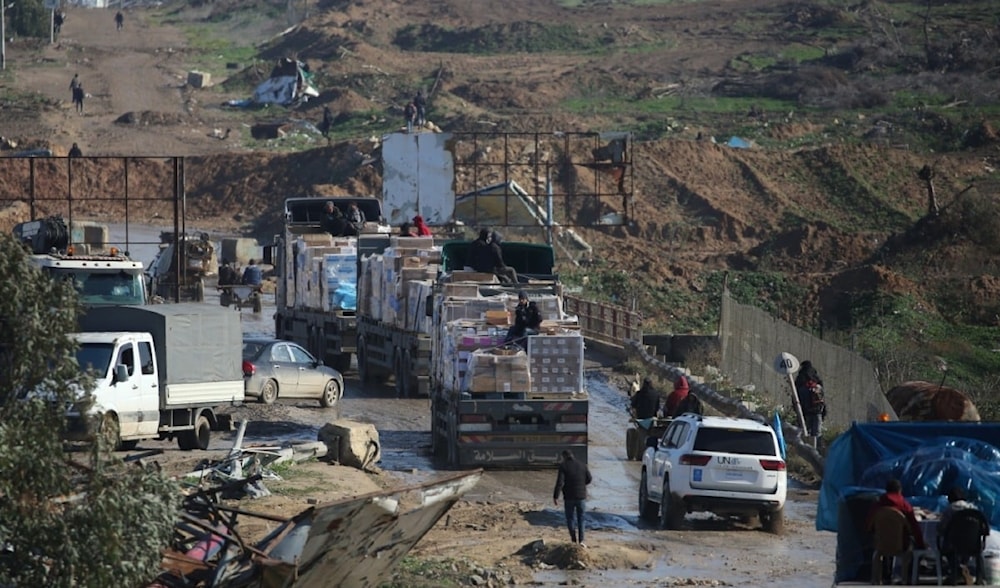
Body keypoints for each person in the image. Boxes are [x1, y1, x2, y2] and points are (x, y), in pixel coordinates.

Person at [866, 478, 927, 584]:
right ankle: (907, 577)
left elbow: (868, 526)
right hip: (901, 545)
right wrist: (921, 544)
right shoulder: (904, 506)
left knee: (879, 551)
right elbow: (915, 528)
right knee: (913, 547)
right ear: (899, 490)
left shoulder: (878, 506)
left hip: (881, 544)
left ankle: (882, 577)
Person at [553, 449, 592, 547]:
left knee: (570, 518)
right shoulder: (582, 465)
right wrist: (582, 484)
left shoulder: (563, 466)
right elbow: (589, 478)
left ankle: (574, 540)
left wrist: (555, 496)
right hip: (581, 497)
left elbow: (560, 483)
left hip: (569, 497)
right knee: (581, 519)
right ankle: (582, 541)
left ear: (564, 457)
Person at [795, 360, 826, 438]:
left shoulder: (801, 379)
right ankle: (816, 449)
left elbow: (796, 396)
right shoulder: (816, 380)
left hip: (805, 412)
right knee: (817, 435)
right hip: (817, 411)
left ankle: (806, 449)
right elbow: (822, 397)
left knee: (804, 434)